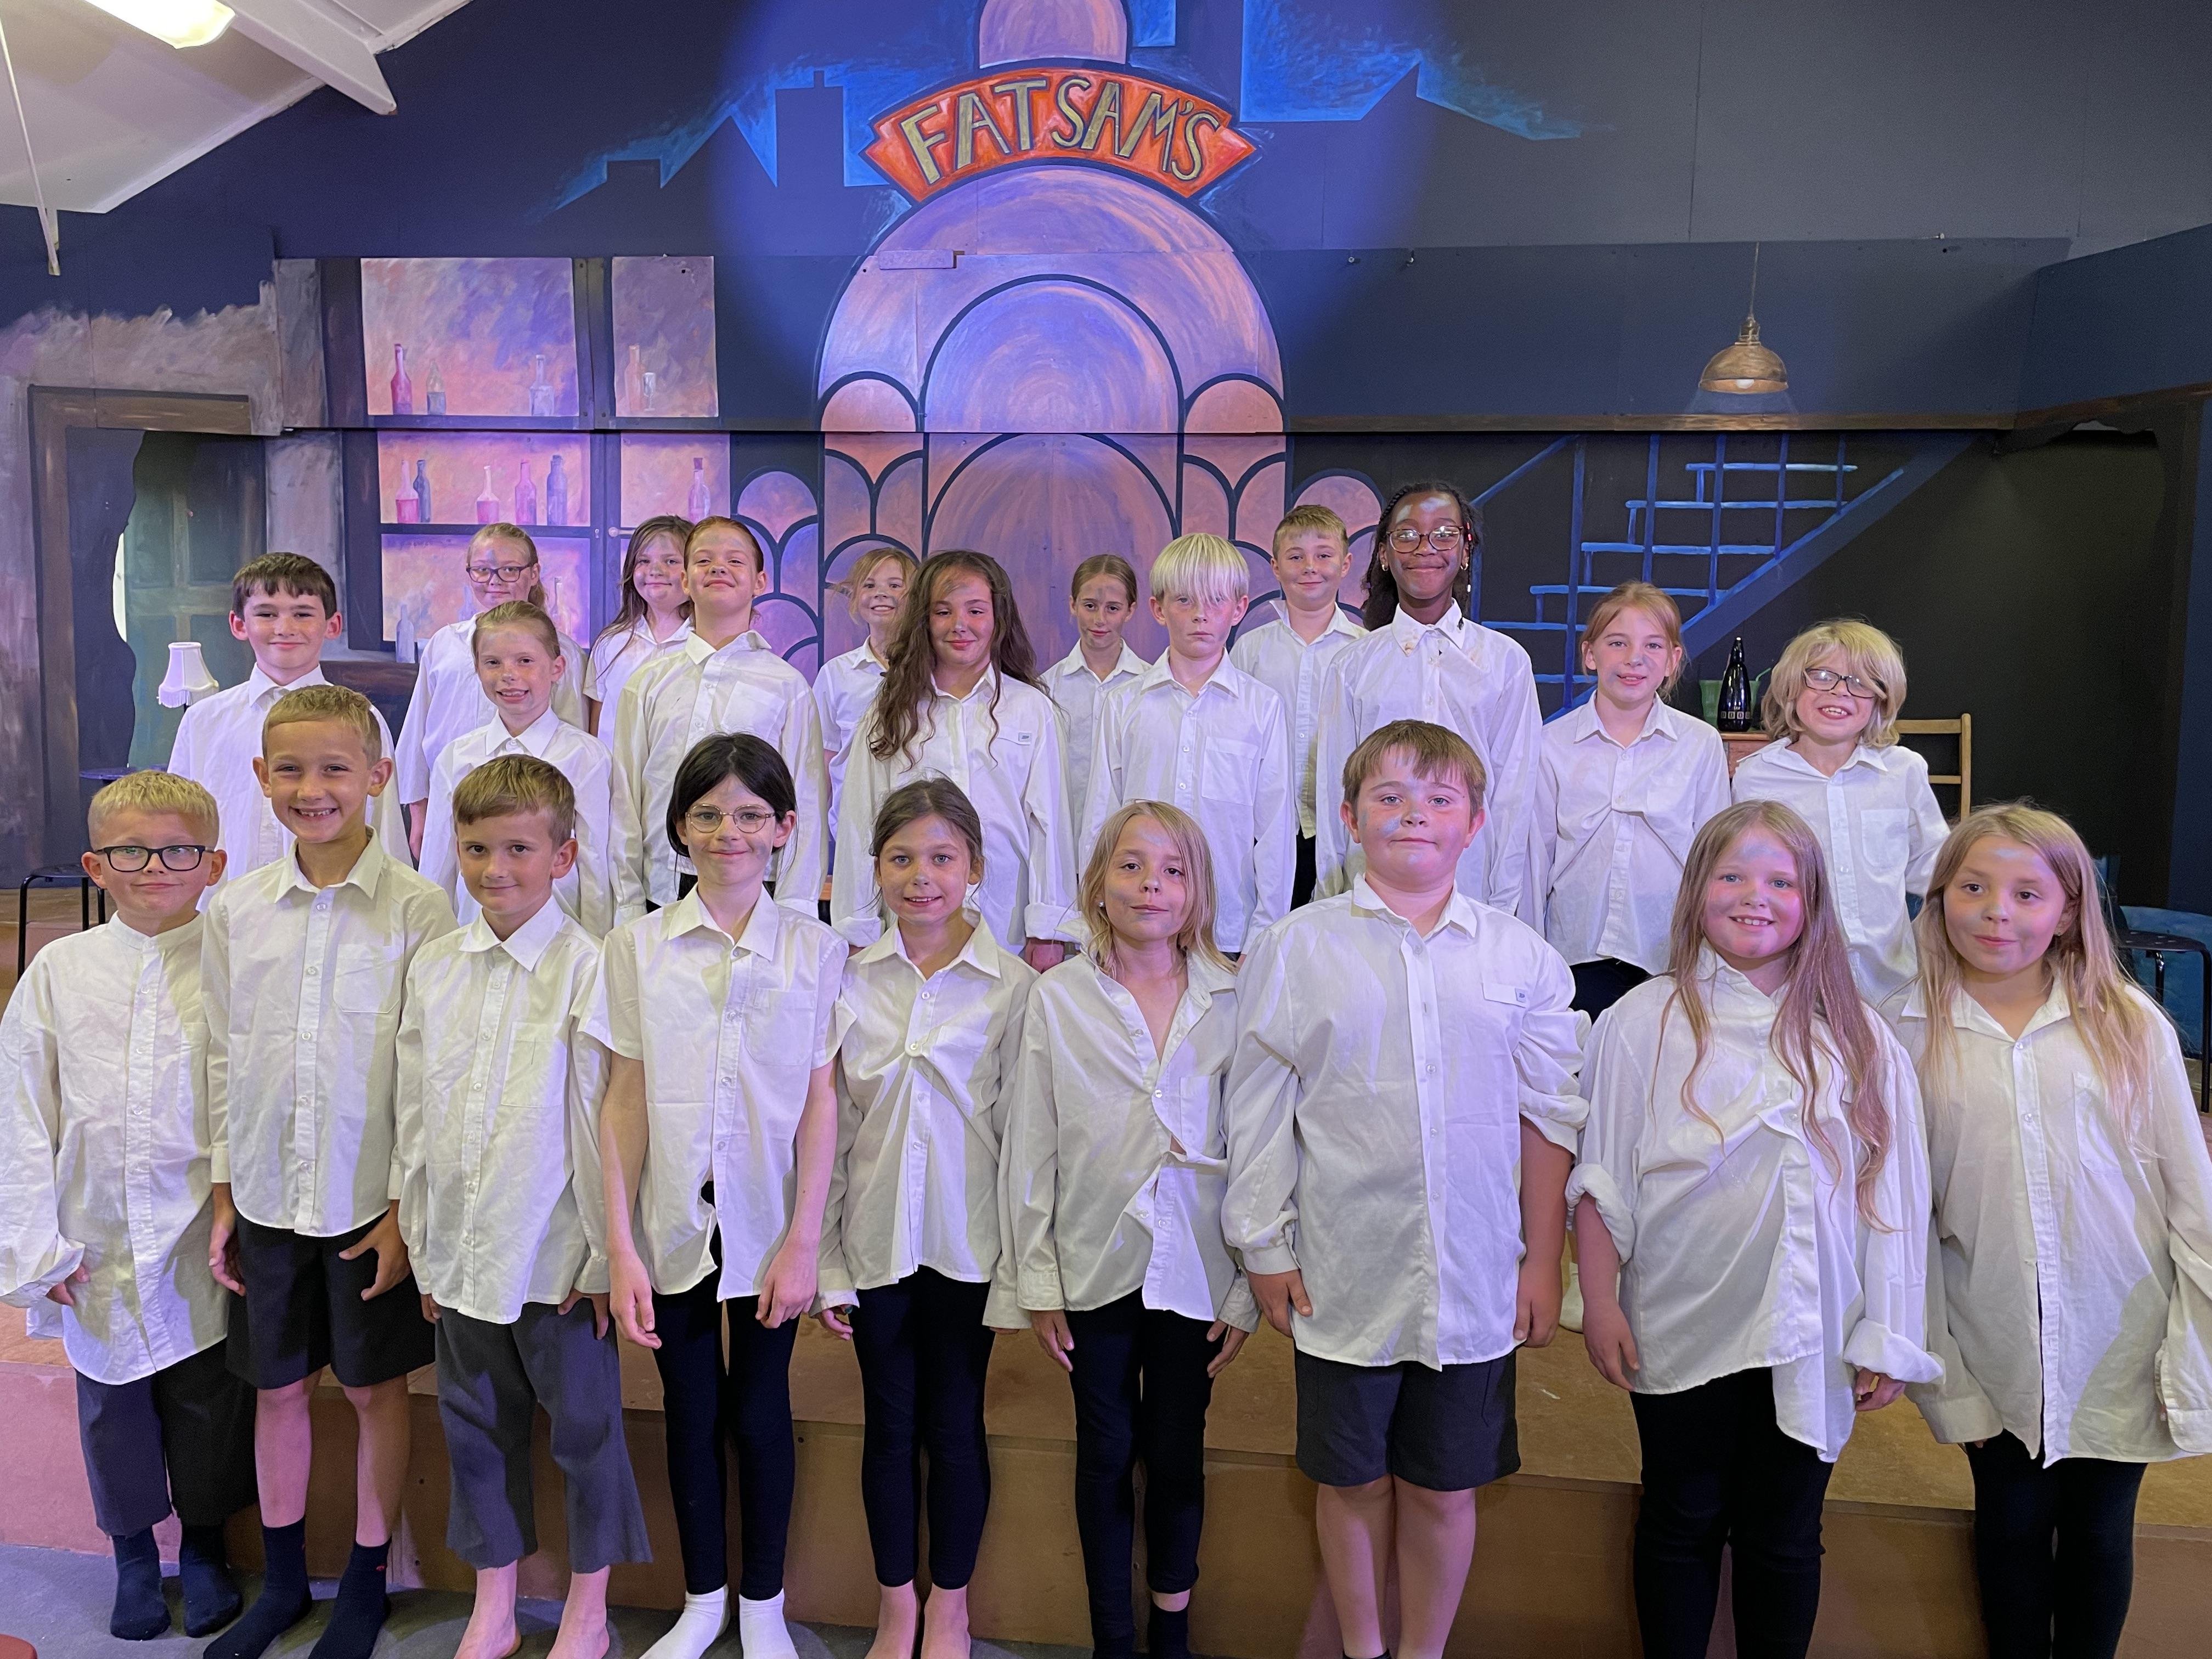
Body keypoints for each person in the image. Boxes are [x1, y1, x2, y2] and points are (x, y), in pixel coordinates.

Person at [1224, 719, 1583, 1659]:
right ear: (1348, 818)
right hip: (1344, 1270)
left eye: (1438, 798)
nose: (1413, 813)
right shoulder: (1295, 948)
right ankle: (1363, 1646)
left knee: (1443, 1486)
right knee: (1351, 1480)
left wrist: (1542, 1260)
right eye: (1388, 796)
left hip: (1474, 1275)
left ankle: (1422, 1650)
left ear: (1475, 822)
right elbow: (1259, 1105)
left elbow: (1551, 1117)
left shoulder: (1520, 959)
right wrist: (1263, 1241)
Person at [1571, 799, 1937, 1659]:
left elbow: (1894, 1197)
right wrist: (1600, 1300)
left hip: (1812, 1328)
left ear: (1814, 902)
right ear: (1697, 890)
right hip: (1681, 1312)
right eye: (1732, 875)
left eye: (1780, 881)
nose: (1754, 897)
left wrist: (1890, 1327)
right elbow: (1602, 1177)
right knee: (1681, 1513)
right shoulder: (1643, 1021)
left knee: (1785, 1530)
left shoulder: (1859, 1038)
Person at [1894, 803, 2212, 1659]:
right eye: (1973, 888)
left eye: (2027, 894)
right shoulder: (1905, 1034)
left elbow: (2193, 1199)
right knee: (2010, 1523)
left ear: (2069, 911)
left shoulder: (2130, 1025)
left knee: (2102, 1530)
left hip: (2121, 1336)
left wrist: (2193, 1342)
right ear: (1940, 898)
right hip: (1989, 1339)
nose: (1997, 912)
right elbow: (1904, 1223)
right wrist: (1940, 1370)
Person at [201, 684, 456, 1659]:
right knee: (274, 1388)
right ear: (260, 778)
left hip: (364, 1197)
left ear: (378, 777)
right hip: (269, 1190)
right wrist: (225, 1187)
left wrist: (402, 1205)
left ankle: (365, 1578)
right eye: (291, 770)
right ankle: (279, 1580)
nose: (313, 789)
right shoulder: (237, 909)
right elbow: (224, 1051)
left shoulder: (419, 908)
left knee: (372, 1389)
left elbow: (426, 1066)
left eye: (335, 769)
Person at [590, 734, 844, 1659]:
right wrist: (621, 1245)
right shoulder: (637, 947)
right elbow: (623, 1098)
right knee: (689, 1407)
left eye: (749, 814)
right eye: (706, 814)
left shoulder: (817, 949)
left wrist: (804, 1241)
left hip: (771, 1221)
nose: (727, 832)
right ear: (679, 828)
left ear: (783, 827)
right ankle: (703, 1599)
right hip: (672, 1220)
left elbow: (819, 1102)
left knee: (761, 1409)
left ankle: (764, 1601)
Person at [396, 755, 648, 1659]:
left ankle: (590, 1606)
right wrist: (422, 1238)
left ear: (563, 855)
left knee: (586, 1432)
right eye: (477, 849)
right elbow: (415, 1110)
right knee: (475, 1428)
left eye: (518, 848)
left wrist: (604, 1251)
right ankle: (493, 1600)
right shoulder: (436, 966)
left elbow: (606, 1120)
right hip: (461, 1247)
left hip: (557, 1249)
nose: (495, 868)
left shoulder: (591, 968)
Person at [0, 773, 255, 1641]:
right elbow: (22, 1112)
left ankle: (208, 1547)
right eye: (130, 852)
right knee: (114, 1407)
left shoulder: (233, 963)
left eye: (178, 851)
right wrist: (34, 1246)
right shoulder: (59, 972)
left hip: (199, 1228)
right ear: (94, 866)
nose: (154, 868)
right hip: (95, 1233)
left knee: (208, 1397)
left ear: (213, 864)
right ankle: (135, 1556)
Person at [1001, 801, 1256, 1659]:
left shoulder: (1233, 998)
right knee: (1105, 1449)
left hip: (1198, 1267)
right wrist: (1039, 1280)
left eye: (1174, 870)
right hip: (1093, 1261)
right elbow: (1032, 1146)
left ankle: (1170, 1630)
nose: (1152, 886)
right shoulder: (1058, 999)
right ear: (1098, 884)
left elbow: (1258, 1147)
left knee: (1178, 1449)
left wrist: (1244, 1287)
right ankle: (1113, 1637)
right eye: (1132, 866)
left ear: (1199, 891)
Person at [815, 778, 1035, 1659]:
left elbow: (1025, 1142)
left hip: (968, 1243)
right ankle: (895, 1604)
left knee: (954, 1423)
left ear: (974, 868)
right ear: (876, 869)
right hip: (874, 1242)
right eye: (901, 858)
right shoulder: (850, 980)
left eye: (942, 858)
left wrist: (1021, 1273)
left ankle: (951, 1605)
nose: (921, 877)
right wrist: (829, 1264)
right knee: (888, 1425)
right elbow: (831, 1134)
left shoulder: (1015, 988)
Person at [834, 550, 1080, 970]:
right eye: (943, 612)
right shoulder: (889, 713)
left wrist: (1049, 930)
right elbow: (860, 821)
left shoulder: (1031, 710)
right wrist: (857, 930)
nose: (959, 625)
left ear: (999, 619)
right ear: (924, 620)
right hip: (910, 924)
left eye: (976, 611)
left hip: (1006, 923)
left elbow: (1051, 826)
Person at [1312, 482, 1542, 922]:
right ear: (1384, 554)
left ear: (1466, 550)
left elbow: (1513, 796)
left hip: (1472, 890)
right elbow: (1334, 790)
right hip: (1370, 894)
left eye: (1444, 533)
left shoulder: (1505, 662)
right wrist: (1330, 900)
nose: (1425, 547)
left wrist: (1501, 907)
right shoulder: (1352, 666)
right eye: (1407, 534)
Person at [608, 517, 828, 928]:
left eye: (735, 561)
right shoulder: (647, 683)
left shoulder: (787, 686)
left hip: (757, 885)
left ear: (760, 582)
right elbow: (624, 797)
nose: (718, 568)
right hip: (662, 885)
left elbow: (807, 803)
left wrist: (797, 911)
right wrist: (627, 904)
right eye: (704, 560)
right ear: (685, 581)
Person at [1081, 534, 1293, 958]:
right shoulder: (1123, 704)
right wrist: (1096, 920)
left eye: (1216, 601)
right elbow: (1100, 820)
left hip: (1228, 926)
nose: (1200, 615)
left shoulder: (1262, 708)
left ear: (1239, 608)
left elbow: (1275, 833)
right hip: (1136, 923)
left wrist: (1263, 934)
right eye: (1184, 601)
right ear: (1158, 609)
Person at [1536, 582, 1729, 1017]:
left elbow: (1713, 859)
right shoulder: (1551, 745)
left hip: (1669, 956)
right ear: (1590, 654)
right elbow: (1536, 860)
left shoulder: (1700, 745)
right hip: (1575, 953)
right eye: (1617, 643)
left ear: (1672, 660)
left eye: (1653, 645)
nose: (1634, 658)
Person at [1730, 619, 1948, 1003]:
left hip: (1892, 986)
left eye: (1861, 682)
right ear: (1792, 687)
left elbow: (1935, 872)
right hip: (1793, 984)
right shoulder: (1755, 777)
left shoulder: (1903, 771)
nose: (1840, 691)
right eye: (1822, 676)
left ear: (1882, 699)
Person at [167, 551, 405, 891]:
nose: (285, 628)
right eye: (266, 614)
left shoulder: (361, 718)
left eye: (302, 614)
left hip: (335, 901)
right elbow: (178, 822)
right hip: (224, 901)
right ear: (239, 624)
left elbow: (385, 824)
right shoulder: (204, 720)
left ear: (332, 625)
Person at [417, 601, 614, 938]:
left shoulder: (585, 756)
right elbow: (438, 861)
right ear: (477, 669)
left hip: (560, 935)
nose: (508, 675)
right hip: (474, 929)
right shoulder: (456, 758)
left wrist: (597, 945)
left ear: (556, 668)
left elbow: (595, 860)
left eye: (525, 661)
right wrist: (434, 945)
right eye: (493, 662)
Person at [393, 523, 588, 858]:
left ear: (534, 574)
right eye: (482, 570)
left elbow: (573, 733)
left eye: (510, 570)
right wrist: (419, 811)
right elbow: (418, 731)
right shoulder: (445, 643)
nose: (494, 581)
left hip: (530, 807)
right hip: (449, 795)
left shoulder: (562, 651)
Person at [1229, 505, 1365, 908]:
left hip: (1341, 829)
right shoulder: (1250, 650)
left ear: (1345, 564)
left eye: (1323, 555)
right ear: (1275, 567)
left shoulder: (1364, 651)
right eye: (1295, 556)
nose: (1310, 567)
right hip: (1264, 829)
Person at [814, 546, 918, 832]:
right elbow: (825, 758)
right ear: (855, 597)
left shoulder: (934, 671)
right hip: (853, 827)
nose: (881, 594)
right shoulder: (835, 674)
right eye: (869, 585)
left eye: (895, 585)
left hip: (919, 826)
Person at [1042, 554, 1149, 824]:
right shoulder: (1046, 690)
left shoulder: (1150, 687)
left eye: (1113, 608)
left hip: (1131, 834)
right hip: (1067, 833)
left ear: (1130, 610)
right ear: (1073, 605)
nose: (1100, 619)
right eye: (1090, 606)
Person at [585, 515, 694, 736]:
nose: (655, 570)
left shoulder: (705, 644)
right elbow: (596, 728)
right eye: (644, 561)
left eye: (671, 561)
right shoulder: (611, 642)